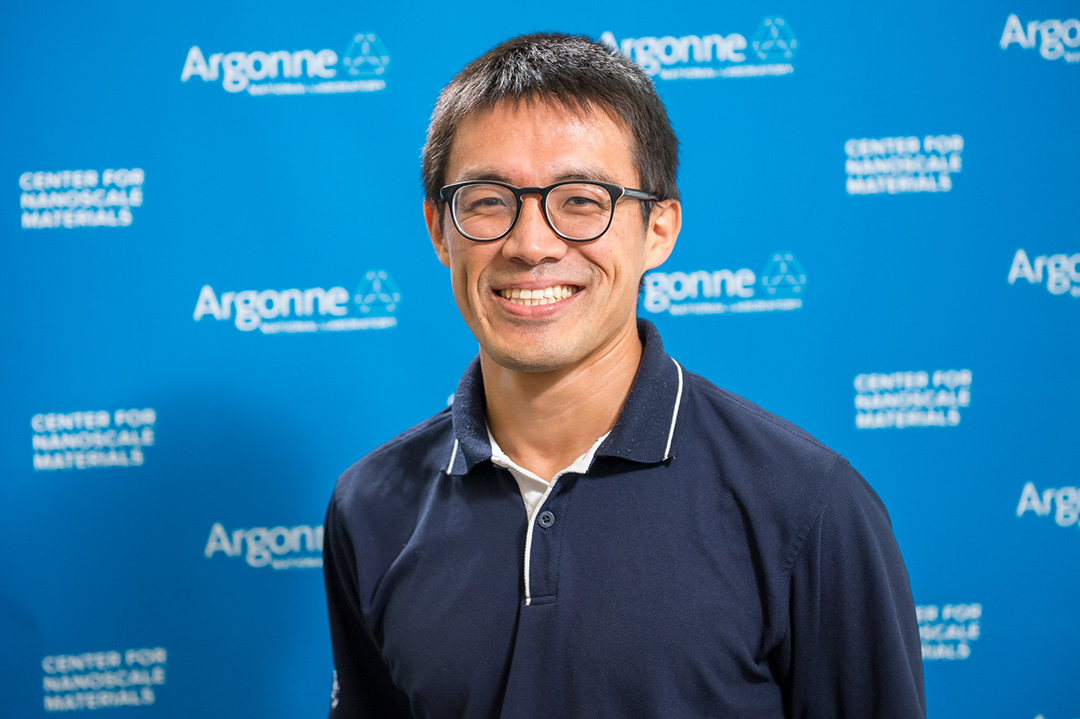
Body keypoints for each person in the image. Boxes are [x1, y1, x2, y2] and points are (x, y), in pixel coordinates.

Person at [323, 33, 925, 718]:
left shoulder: (809, 508)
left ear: (659, 229)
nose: (531, 244)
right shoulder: (369, 507)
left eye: (581, 199)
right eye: (488, 200)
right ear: (440, 229)